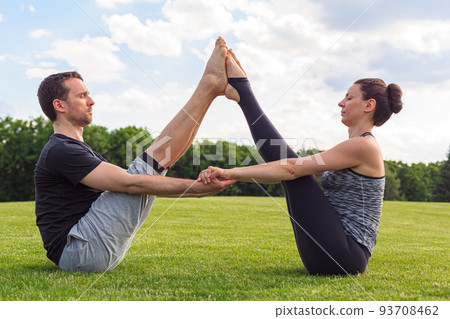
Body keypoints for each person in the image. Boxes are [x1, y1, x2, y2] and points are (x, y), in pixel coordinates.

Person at [34, 37, 235, 273]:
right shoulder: (60, 150)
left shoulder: (74, 148)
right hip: (79, 253)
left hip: (88, 250)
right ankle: (209, 86)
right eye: (82, 96)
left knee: (150, 170)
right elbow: (129, 183)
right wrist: (196, 189)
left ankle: (211, 89)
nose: (92, 101)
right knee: (139, 177)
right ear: (60, 105)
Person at [199, 50, 403, 275]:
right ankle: (242, 92)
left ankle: (243, 92)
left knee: (295, 171)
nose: (340, 103)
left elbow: (291, 168)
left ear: (369, 105)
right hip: (334, 254)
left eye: (349, 97)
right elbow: (288, 166)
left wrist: (231, 173)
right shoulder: (356, 146)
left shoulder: (364, 146)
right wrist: (235, 173)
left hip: (344, 256)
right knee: (295, 169)